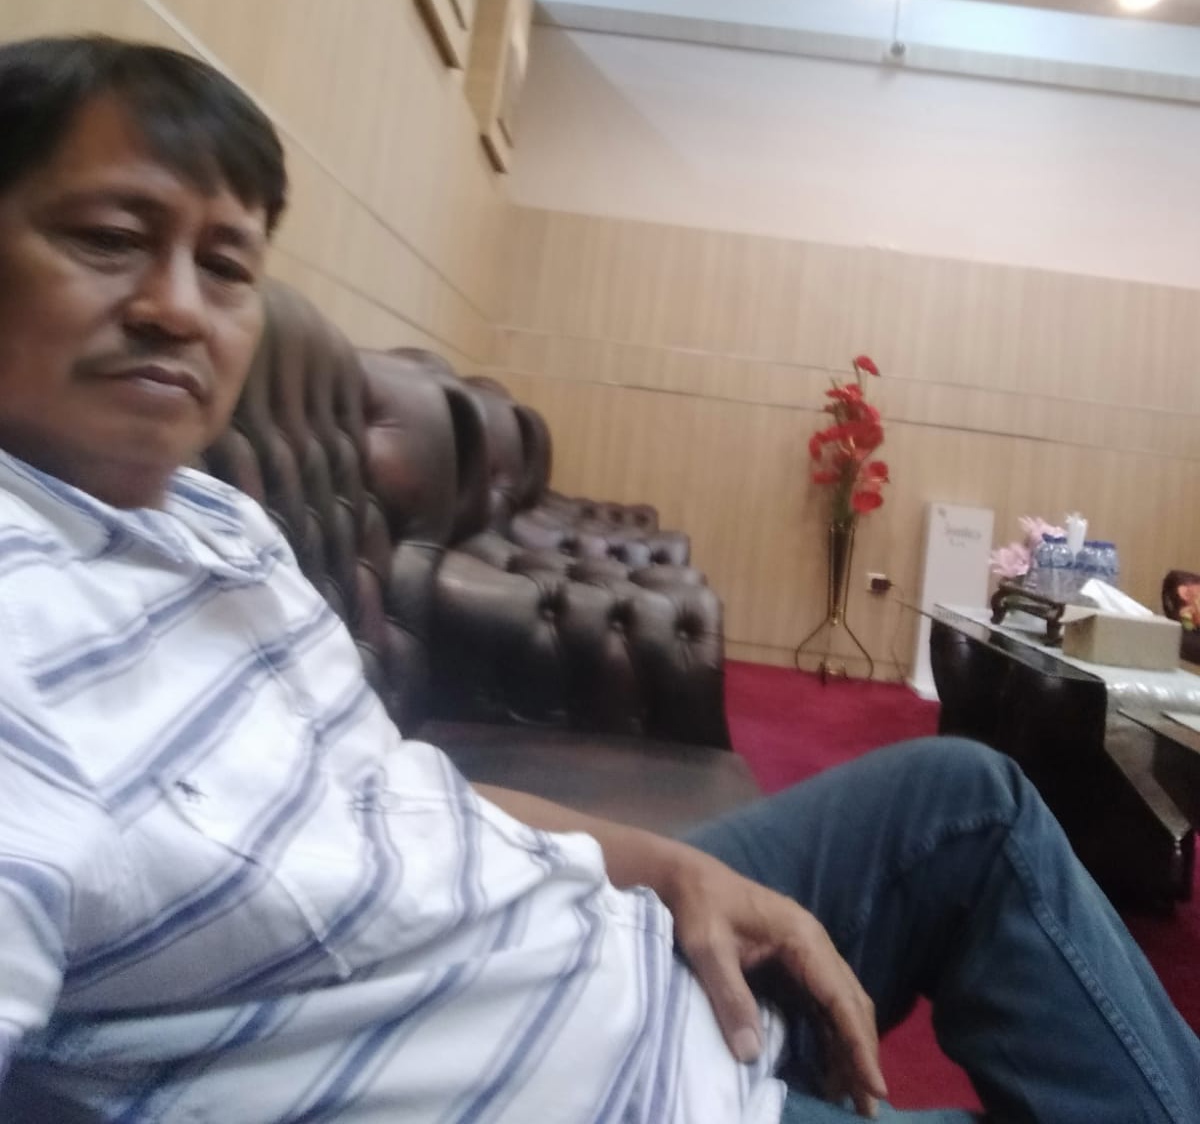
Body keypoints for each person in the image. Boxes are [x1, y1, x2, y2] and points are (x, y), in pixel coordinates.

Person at [0, 34, 1194, 1124]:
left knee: (965, 796)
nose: (176, 307)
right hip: (620, 1083)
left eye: (225, 265)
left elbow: (390, 784)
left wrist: (671, 865)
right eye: (107, 238)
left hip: (607, 940)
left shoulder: (213, 517)